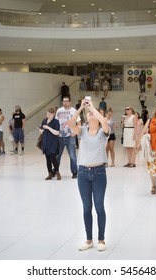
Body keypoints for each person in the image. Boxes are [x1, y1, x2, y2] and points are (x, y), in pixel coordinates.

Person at [67, 98, 109, 252]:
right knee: (86, 208)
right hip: (83, 174)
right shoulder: (83, 130)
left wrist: (92, 107)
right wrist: (80, 108)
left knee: (99, 206)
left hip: (99, 173)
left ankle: (101, 239)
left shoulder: (102, 132)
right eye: (89, 113)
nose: (91, 114)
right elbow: (70, 124)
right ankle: (89, 239)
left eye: (94, 113)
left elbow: (104, 122)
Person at [56, 96, 81, 179]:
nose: (65, 102)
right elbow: (56, 122)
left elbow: (79, 123)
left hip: (70, 137)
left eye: (66, 101)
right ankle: (55, 171)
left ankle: (74, 172)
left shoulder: (74, 111)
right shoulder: (59, 111)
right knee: (57, 155)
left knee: (72, 156)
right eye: (63, 101)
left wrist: (75, 132)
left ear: (70, 102)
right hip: (60, 137)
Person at [39, 108, 61, 180]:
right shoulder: (44, 120)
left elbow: (57, 132)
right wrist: (41, 130)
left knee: (53, 158)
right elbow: (41, 128)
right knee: (47, 159)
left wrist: (48, 127)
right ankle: (50, 173)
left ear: (53, 114)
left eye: (50, 114)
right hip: (45, 142)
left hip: (53, 142)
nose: (48, 116)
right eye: (47, 114)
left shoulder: (56, 122)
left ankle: (57, 172)